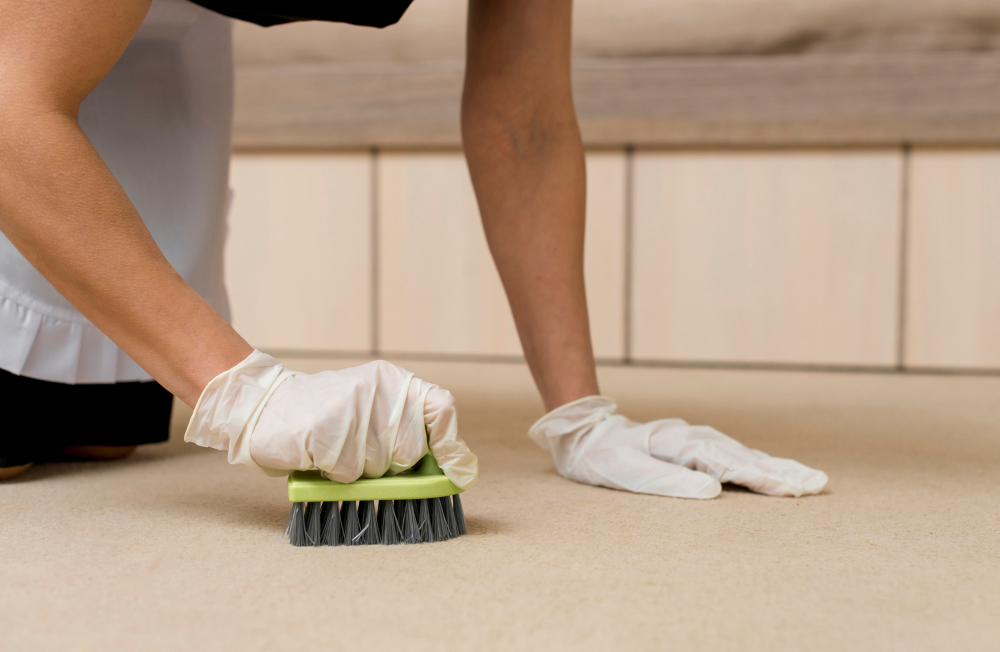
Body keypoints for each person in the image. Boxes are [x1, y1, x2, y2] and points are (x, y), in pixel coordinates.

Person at [0, 0, 827, 499]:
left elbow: (525, 121)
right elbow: (8, 110)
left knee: (102, 431)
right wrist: (245, 393)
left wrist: (581, 413)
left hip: (136, 37)